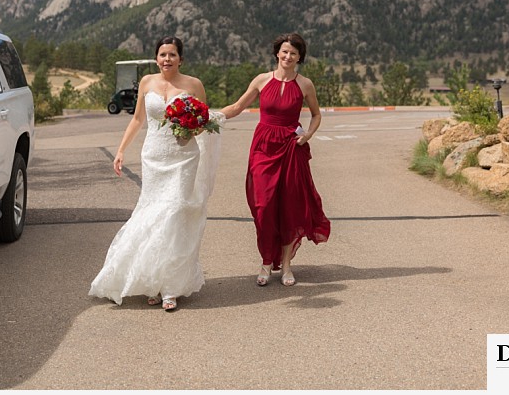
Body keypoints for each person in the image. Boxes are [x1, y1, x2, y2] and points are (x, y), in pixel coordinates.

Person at [89, 36, 223, 311]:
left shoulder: (193, 85)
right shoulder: (147, 82)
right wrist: (121, 150)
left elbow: (203, 122)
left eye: (172, 54)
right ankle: (152, 282)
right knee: (152, 217)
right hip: (153, 157)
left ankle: (170, 287)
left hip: (184, 158)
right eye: (162, 54)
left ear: (181, 59)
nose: (167, 59)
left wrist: (191, 130)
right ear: (156, 57)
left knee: (174, 214)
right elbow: (138, 119)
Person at [221, 32, 330, 287]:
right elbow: (237, 107)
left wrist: (308, 136)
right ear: (277, 54)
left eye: (293, 52)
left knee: (289, 206)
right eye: (284, 51)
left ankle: (286, 265)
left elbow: (316, 115)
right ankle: (266, 260)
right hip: (263, 146)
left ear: (299, 56)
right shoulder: (261, 80)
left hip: (291, 148)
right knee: (263, 205)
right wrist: (210, 117)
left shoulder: (305, 85)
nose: (288, 56)